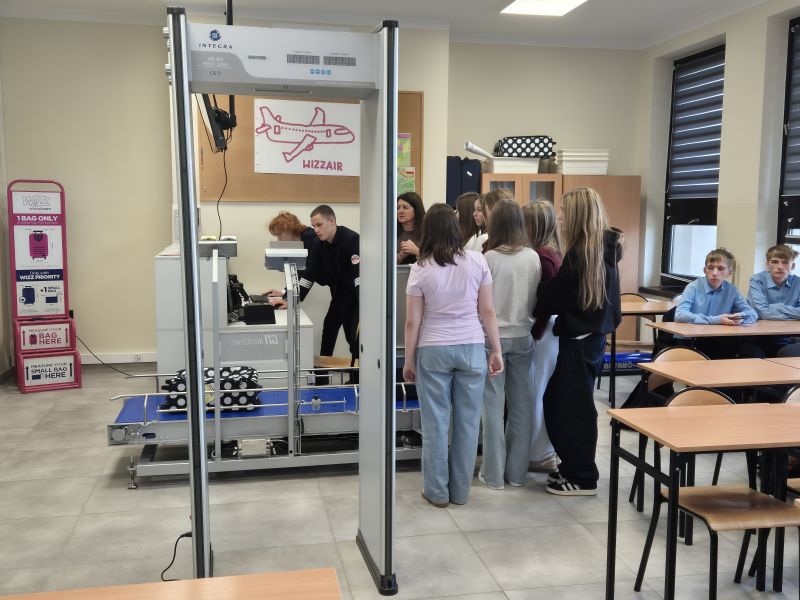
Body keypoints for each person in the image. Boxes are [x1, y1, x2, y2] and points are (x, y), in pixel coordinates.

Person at [403, 203, 503, 507]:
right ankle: (460, 493)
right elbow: (487, 310)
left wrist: (409, 360)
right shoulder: (477, 261)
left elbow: (412, 322)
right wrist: (496, 349)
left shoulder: (420, 268)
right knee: (468, 423)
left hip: (433, 349)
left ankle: (436, 492)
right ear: (455, 229)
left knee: (435, 424)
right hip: (472, 346)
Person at [536, 187, 621, 496]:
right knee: (569, 404)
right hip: (591, 338)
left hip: (580, 340)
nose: (559, 216)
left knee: (571, 409)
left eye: (563, 211)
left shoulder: (581, 254)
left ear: (576, 215)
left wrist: (541, 288)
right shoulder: (604, 248)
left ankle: (582, 476)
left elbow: (554, 297)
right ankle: (574, 466)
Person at [478, 200, 541, 489]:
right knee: (521, 406)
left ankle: (493, 475)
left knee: (492, 406)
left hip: (492, 339)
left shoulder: (488, 258)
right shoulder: (533, 257)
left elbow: (482, 304)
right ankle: (516, 473)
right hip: (524, 336)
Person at [522, 199, 561, 473]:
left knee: (535, 393)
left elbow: (546, 304)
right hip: (547, 331)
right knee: (538, 392)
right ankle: (541, 451)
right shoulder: (551, 253)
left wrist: (534, 334)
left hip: (543, 332)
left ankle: (538, 454)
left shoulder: (542, 257)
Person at [674, 248, 757, 359]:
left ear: (730, 272)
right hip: (690, 339)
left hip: (718, 339)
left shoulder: (732, 290)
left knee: (746, 351)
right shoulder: (693, 287)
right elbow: (679, 315)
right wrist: (716, 320)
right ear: (704, 270)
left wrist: (740, 318)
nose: (714, 273)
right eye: (710, 268)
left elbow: (752, 313)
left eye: (720, 269)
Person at [300, 205, 360, 357]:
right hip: (339, 293)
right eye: (314, 226)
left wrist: (364, 306)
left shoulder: (352, 239)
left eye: (319, 225)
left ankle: (358, 370)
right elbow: (310, 273)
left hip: (355, 296)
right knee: (329, 329)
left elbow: (358, 276)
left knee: (353, 336)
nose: (316, 230)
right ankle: (323, 371)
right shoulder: (318, 243)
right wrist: (291, 298)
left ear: (332, 221)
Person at [741, 244, 800, 358]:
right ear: (767, 264)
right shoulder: (757, 280)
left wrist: (778, 307)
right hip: (755, 337)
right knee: (753, 355)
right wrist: (793, 314)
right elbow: (762, 313)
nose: (780, 267)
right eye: (774, 262)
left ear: (792, 266)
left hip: (786, 337)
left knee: (789, 354)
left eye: (785, 262)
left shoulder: (798, 282)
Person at [263, 211, 319, 308]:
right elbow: (298, 273)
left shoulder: (311, 239)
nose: (278, 239)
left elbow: (309, 274)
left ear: (290, 229)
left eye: (279, 234)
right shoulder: (299, 242)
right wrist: (284, 292)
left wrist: (292, 300)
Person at [397, 192, 426, 264]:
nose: (400, 211)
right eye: (398, 208)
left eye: (405, 207)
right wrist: (400, 255)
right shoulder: (391, 231)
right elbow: (384, 263)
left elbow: (436, 261)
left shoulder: (427, 232)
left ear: (416, 209)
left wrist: (416, 251)